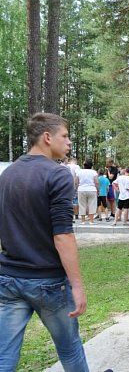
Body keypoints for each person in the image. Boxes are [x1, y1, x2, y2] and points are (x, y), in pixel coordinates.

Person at [0, 113, 88, 370]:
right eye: (65, 136)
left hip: (9, 280)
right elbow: (62, 235)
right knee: (70, 350)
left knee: (4, 356)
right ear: (47, 138)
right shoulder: (58, 175)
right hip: (48, 283)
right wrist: (77, 285)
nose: (69, 142)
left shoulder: (7, 175)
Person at [75, 160, 99, 225]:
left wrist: (77, 189)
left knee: (82, 205)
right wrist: (97, 190)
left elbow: (76, 182)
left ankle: (83, 221)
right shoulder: (94, 172)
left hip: (81, 189)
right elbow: (96, 182)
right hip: (92, 189)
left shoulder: (79, 172)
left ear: (84, 165)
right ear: (91, 166)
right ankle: (91, 221)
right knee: (92, 205)